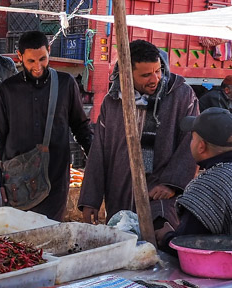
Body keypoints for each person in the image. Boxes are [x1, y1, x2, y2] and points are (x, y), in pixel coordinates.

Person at [79, 40, 198, 225]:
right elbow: (98, 152)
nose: (155, 79)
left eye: (158, 71)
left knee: (157, 247)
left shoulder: (181, 95)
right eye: (145, 75)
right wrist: (90, 200)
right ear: (127, 74)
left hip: (160, 197)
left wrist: (171, 184)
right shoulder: (112, 102)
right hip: (120, 192)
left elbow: (191, 142)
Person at [0, 31, 91, 220]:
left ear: (49, 51)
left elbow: (81, 126)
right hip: (17, 180)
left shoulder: (66, 84)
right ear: (19, 57)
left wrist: (94, 159)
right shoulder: (8, 89)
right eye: (31, 61)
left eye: (42, 59)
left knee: (50, 234)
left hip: (54, 178)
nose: (38, 67)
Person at [156, 108, 232, 251]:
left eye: (193, 138)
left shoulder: (209, 185)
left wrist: (167, 237)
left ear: (201, 146)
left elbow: (188, 246)